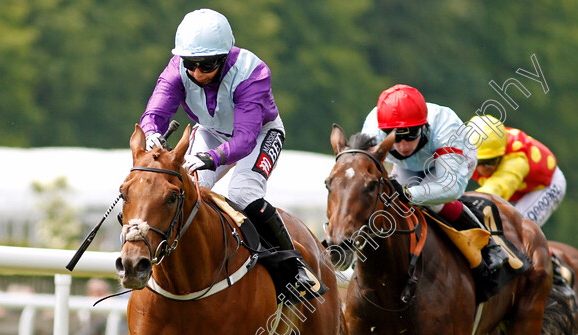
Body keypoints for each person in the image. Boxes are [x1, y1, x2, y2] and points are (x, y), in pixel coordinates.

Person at [139, 8, 320, 300]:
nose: (197, 73)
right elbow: (154, 113)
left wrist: (211, 158)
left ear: (224, 58)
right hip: (210, 131)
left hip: (260, 133)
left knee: (243, 195)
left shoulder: (252, 73)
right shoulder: (176, 69)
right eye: (190, 64)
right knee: (188, 192)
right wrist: (151, 133)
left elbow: (245, 140)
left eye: (206, 64)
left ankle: (293, 267)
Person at [360, 84, 508, 276]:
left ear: (424, 125)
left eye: (411, 134)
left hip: (453, 161)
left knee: (432, 202)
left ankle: (489, 244)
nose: (403, 145)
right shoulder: (373, 127)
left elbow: (449, 186)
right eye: (395, 137)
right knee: (387, 203)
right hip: (409, 166)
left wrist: (408, 194)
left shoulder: (445, 127)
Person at [468, 114, 574, 300]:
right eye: (479, 162)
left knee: (518, 230)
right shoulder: (465, 150)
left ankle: (556, 273)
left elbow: (494, 191)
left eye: (490, 162)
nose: (483, 169)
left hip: (545, 185)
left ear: (501, 155)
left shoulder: (516, 160)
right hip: (517, 187)